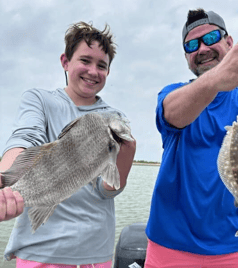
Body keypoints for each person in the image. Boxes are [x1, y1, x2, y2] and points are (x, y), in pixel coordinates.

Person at [0, 21, 136, 268]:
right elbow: (25, 137)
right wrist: (5, 181)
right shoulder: (39, 99)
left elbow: (107, 190)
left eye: (102, 65)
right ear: (65, 61)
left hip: (96, 254)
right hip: (39, 253)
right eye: (85, 61)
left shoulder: (113, 115)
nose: (93, 71)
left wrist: (127, 153)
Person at [144, 9, 238, 268]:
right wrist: (218, 80)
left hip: (234, 245)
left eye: (211, 37)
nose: (201, 48)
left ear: (229, 43)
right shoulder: (175, 95)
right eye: (191, 44)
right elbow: (172, 113)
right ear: (187, 57)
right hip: (169, 245)